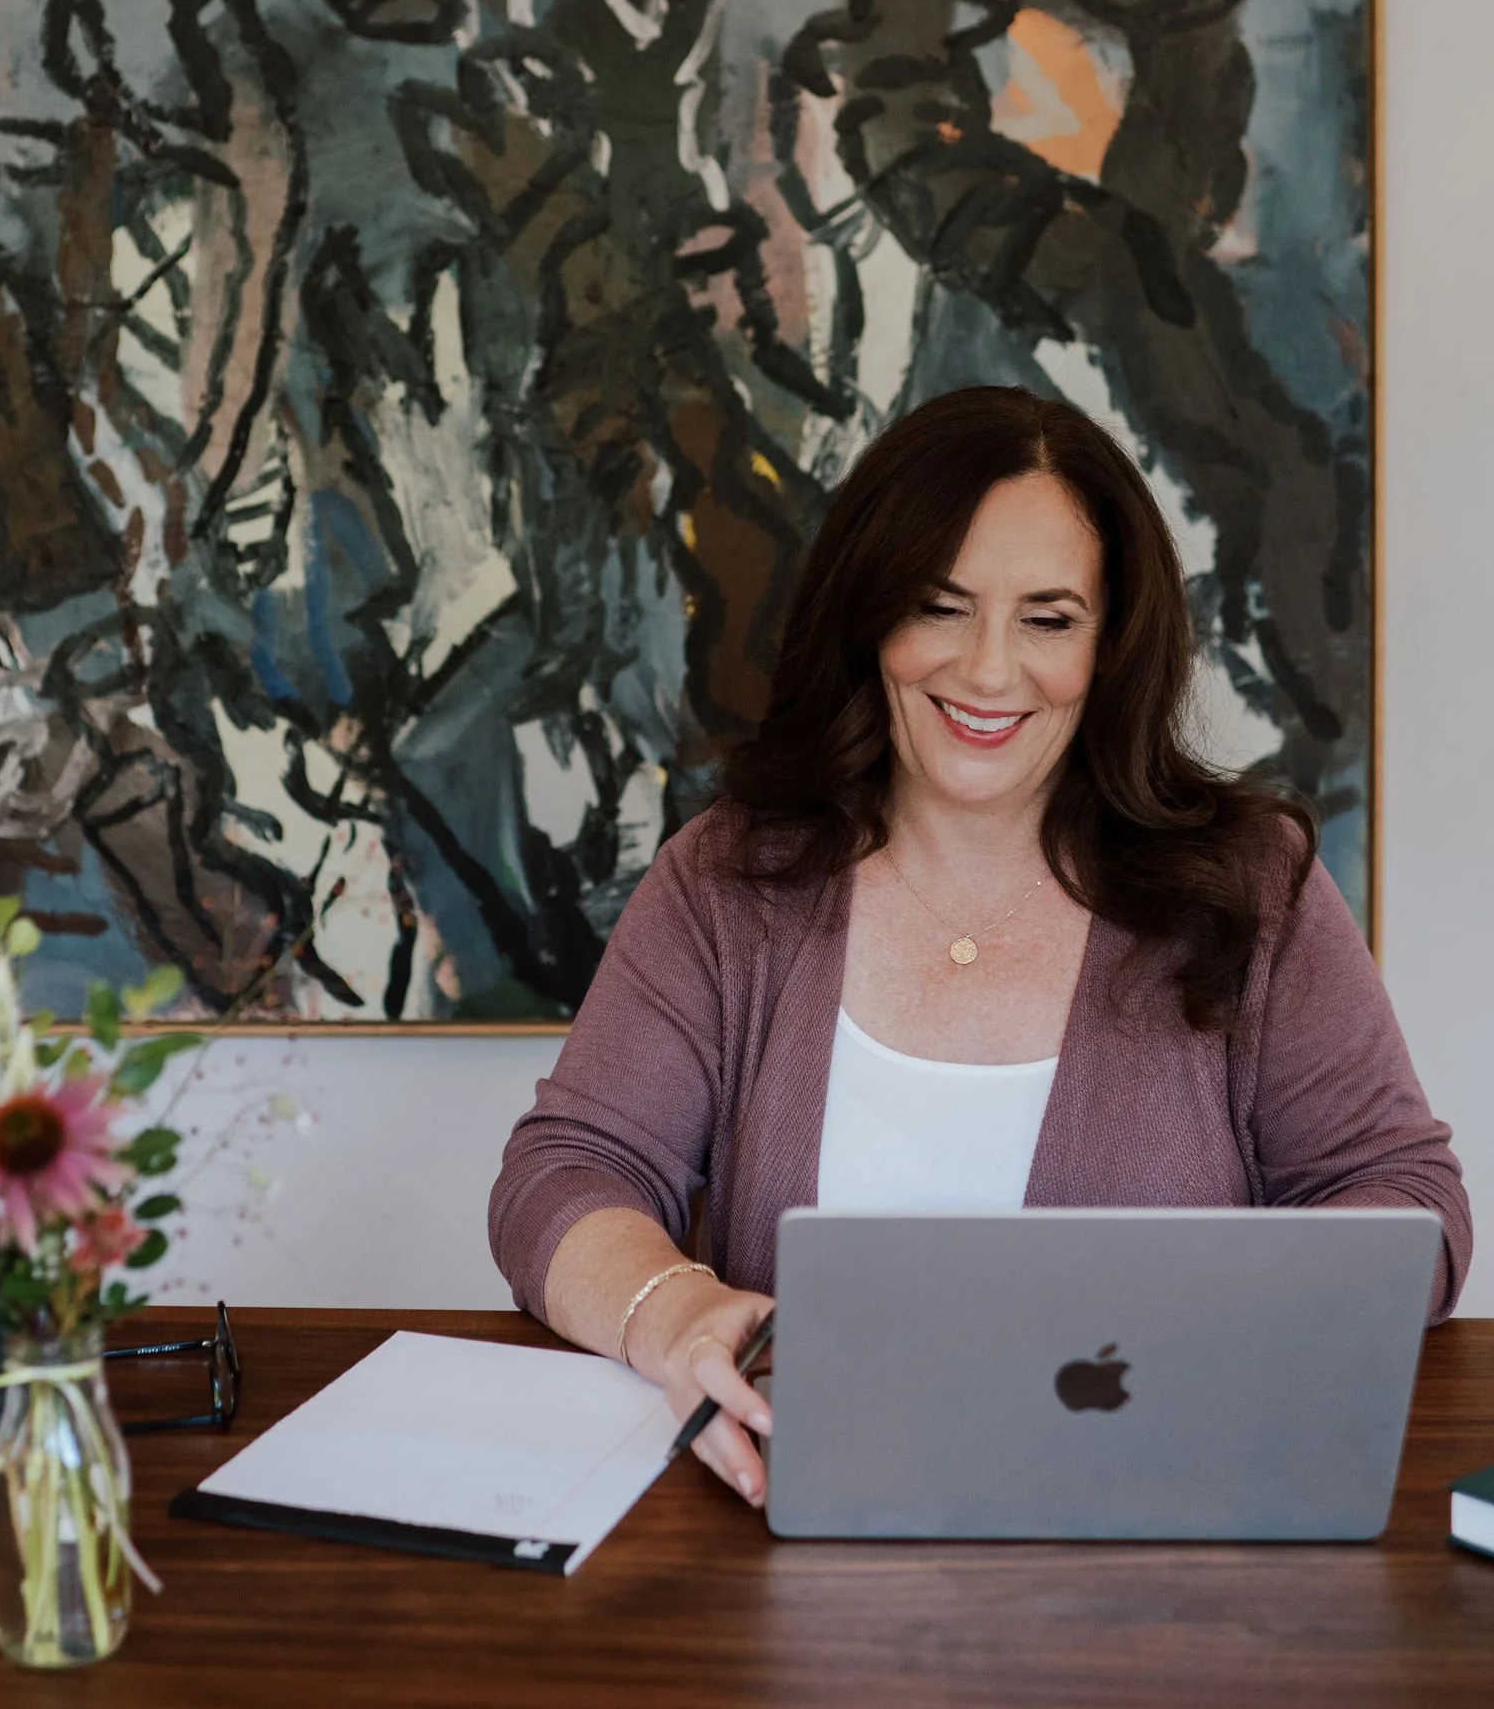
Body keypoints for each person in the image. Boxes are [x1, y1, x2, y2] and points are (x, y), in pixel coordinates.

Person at [488, 386, 1471, 1511]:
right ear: (867, 619)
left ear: (1109, 646)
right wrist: (671, 1313)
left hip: (1167, 1527)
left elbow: (1404, 1200)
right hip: (791, 1525)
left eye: (1048, 618)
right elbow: (562, 1173)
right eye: (939, 607)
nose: (989, 671)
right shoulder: (728, 880)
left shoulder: (1253, 887)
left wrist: (1200, 1329)